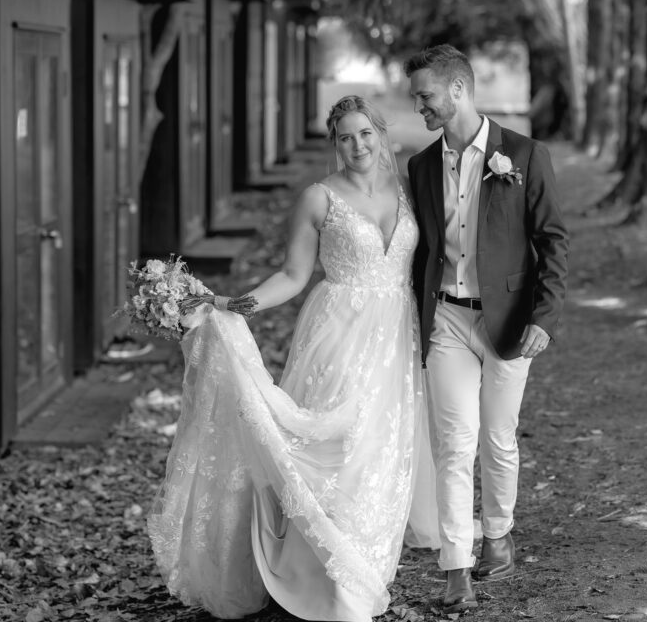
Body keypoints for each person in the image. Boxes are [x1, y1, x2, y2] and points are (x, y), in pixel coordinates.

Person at [146, 95, 439, 622]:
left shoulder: (412, 190)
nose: (357, 146)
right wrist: (234, 305)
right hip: (339, 333)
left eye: (365, 134)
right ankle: (322, 579)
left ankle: (357, 575)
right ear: (335, 143)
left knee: (378, 451)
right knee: (334, 445)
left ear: (380, 133)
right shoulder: (318, 198)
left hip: (397, 336)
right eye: (345, 137)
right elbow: (294, 276)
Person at [404, 44, 570, 613]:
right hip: (447, 318)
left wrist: (544, 319)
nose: (420, 107)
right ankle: (456, 568)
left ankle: (498, 534)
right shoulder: (421, 166)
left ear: (457, 90)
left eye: (425, 96)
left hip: (510, 321)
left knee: (499, 439)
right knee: (454, 446)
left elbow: (553, 242)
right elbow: (423, 248)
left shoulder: (524, 155)